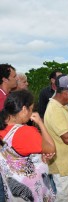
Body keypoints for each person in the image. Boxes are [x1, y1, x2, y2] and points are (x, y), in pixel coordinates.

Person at [0, 90, 56, 201]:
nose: (32, 113)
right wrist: (40, 122)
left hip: (13, 192)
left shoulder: (3, 128)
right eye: (31, 109)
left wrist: (38, 155)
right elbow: (51, 147)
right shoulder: (24, 132)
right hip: (33, 191)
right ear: (24, 109)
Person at [0, 63, 18, 201]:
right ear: (5, 79)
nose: (16, 78)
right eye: (13, 76)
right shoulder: (1, 98)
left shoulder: (8, 96)